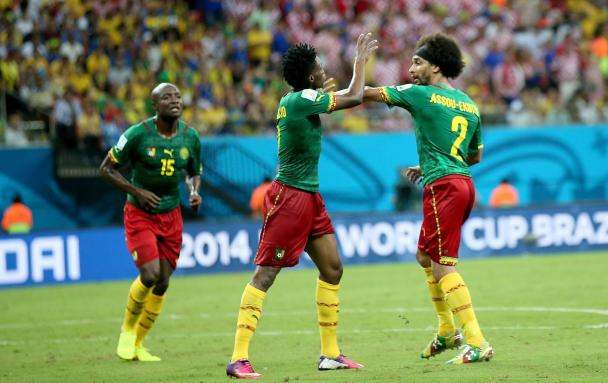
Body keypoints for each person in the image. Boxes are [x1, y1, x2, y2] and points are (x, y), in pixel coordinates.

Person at [225, 33, 378, 379]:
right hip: (289, 196)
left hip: (310, 196)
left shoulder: (300, 99)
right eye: (319, 68)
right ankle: (238, 358)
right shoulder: (299, 100)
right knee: (265, 275)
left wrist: (326, 93)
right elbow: (354, 96)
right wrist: (359, 62)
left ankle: (330, 354)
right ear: (310, 77)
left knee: (333, 269)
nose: (324, 70)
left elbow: (331, 96)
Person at [363, 32, 493, 364]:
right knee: (424, 255)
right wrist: (433, 162)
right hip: (463, 183)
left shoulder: (420, 94)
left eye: (418, 62)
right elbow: (474, 156)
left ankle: (477, 341)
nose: (411, 67)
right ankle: (447, 330)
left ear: (435, 67)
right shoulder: (468, 103)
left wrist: (321, 96)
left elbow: (367, 94)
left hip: (444, 188)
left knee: (442, 266)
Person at [99, 83, 202, 362]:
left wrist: (193, 191)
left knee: (163, 282)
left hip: (171, 215)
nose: (174, 101)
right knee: (149, 275)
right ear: (154, 105)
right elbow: (105, 169)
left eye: (178, 96)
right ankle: (127, 331)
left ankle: (139, 345)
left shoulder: (190, 137)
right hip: (140, 214)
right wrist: (136, 192)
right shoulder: (136, 135)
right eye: (166, 97)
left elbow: (193, 171)